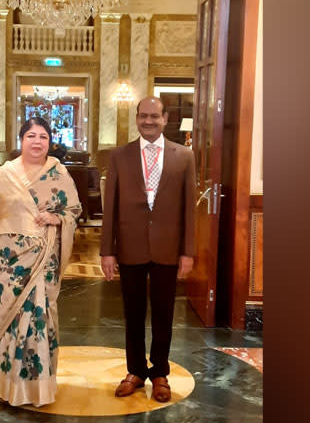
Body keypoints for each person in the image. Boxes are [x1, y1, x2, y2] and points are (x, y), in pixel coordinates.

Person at [0, 117, 82, 407]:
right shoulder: (4, 176)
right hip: (9, 263)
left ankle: (39, 389)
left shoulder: (58, 173)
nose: (37, 141)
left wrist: (56, 218)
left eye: (43, 136)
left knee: (41, 321)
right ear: (21, 139)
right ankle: (9, 388)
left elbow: (74, 210)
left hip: (44, 261)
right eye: (31, 135)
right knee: (13, 322)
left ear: (50, 141)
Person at [100, 96, 196, 403]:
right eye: (143, 116)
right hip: (130, 246)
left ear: (165, 119)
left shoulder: (184, 156)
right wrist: (107, 251)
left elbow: (188, 210)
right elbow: (110, 206)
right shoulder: (119, 156)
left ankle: (160, 373)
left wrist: (187, 251)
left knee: (165, 314)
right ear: (137, 118)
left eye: (154, 116)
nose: (148, 121)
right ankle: (136, 371)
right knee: (133, 313)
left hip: (168, 248)